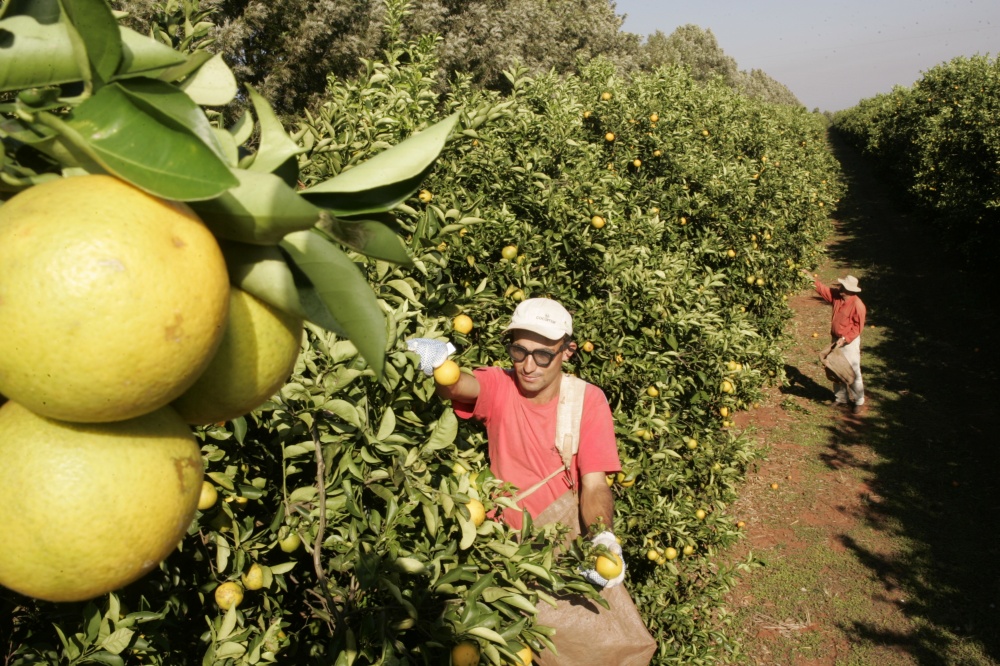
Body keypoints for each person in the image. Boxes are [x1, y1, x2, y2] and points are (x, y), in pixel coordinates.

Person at [406, 298, 625, 586]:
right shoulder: (502, 386)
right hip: (502, 552)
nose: (528, 366)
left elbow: (595, 483)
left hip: (564, 552)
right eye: (519, 352)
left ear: (568, 352)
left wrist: (601, 536)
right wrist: (438, 362)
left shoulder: (588, 401)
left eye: (543, 355)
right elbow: (457, 385)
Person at [808, 273, 867, 414]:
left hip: (848, 343)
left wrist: (845, 338)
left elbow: (858, 328)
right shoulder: (837, 297)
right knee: (835, 368)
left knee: (852, 371)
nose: (840, 288)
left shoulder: (858, 305)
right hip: (836, 339)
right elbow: (822, 289)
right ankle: (841, 398)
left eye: (843, 287)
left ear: (850, 290)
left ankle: (859, 400)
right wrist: (809, 278)